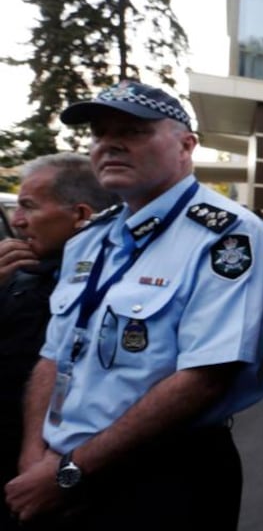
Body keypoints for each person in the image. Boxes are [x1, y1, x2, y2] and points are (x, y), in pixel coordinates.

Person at [3, 80, 263, 530]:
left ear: (186, 146)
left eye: (133, 131)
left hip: (162, 477)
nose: (109, 144)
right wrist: (34, 453)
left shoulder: (228, 234)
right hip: (58, 469)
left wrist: (72, 470)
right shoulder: (89, 239)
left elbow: (205, 378)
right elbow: (54, 354)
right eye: (100, 133)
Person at [0, 153, 118, 528]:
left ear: (81, 214)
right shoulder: (16, 274)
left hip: (74, 477)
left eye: (29, 207)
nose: (17, 221)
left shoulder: (117, 286)